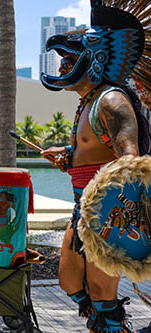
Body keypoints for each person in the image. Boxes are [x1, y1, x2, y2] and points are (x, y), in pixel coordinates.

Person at [39, 1, 151, 331]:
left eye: (69, 60)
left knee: (102, 294)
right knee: (70, 283)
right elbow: (97, 152)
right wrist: (70, 157)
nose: (61, 67)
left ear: (97, 57)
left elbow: (131, 160)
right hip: (83, 210)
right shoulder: (89, 102)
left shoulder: (112, 100)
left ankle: (110, 323)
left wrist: (124, 224)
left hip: (108, 215)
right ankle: (106, 320)